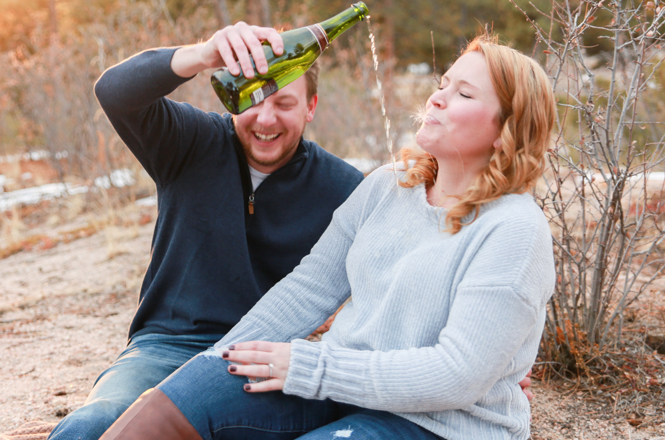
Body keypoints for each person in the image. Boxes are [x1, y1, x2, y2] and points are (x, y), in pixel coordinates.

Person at [95, 33, 557, 440]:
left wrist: (309, 366)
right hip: (338, 388)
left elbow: (458, 376)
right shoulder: (387, 186)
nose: (437, 98)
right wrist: (217, 362)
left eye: (463, 94)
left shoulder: (514, 229)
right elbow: (309, 287)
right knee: (178, 400)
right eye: (442, 85)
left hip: (437, 423)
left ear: (506, 130)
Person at [47, 23, 365, 440]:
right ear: (233, 96)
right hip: (165, 347)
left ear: (311, 106)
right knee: (94, 425)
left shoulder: (343, 187)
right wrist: (204, 54)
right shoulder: (188, 142)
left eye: (285, 103)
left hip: (259, 355)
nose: (266, 118)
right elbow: (115, 91)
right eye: (252, 98)